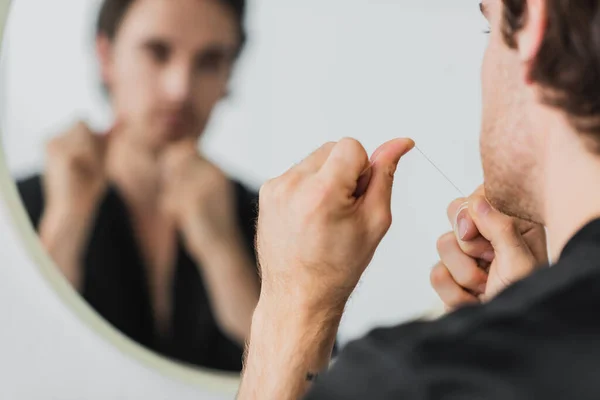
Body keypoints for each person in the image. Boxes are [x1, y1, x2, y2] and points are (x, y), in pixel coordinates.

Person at [238, 0, 600, 398]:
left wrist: (293, 308)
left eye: (489, 31)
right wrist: (524, 317)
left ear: (535, 27)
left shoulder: (409, 381)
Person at [17, 0, 260, 372]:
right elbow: (18, 358)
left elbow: (315, 379)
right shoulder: (18, 208)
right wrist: (65, 220)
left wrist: (222, 250)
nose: (180, 88)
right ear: (106, 56)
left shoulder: (273, 218)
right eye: (157, 53)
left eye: (209, 61)